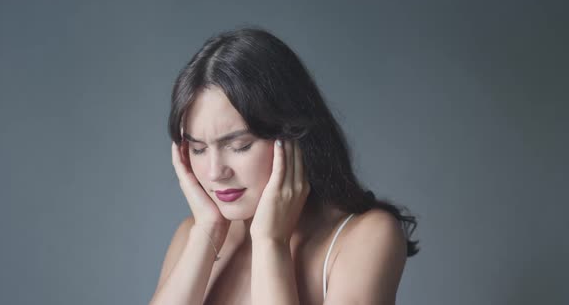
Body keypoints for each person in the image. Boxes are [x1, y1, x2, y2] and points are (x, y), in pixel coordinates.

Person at [149, 27, 419, 305]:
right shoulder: (193, 234)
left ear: (291, 135)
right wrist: (206, 232)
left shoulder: (366, 236)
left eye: (240, 145)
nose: (215, 172)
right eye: (198, 149)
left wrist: (270, 243)